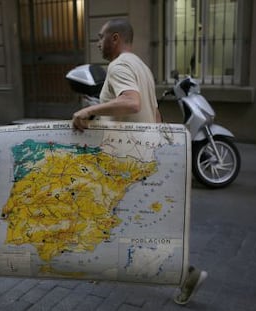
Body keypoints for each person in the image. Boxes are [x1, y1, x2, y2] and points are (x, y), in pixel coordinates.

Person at [72, 18, 207, 306]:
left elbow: (131, 103)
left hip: (126, 162)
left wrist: (91, 110)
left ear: (115, 38)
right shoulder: (141, 67)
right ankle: (102, 263)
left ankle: (185, 274)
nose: (98, 43)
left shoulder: (119, 66)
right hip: (141, 160)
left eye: (101, 37)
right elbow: (155, 115)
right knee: (120, 218)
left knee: (132, 224)